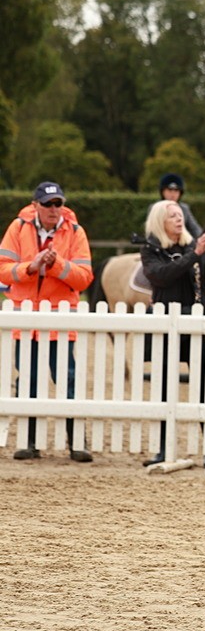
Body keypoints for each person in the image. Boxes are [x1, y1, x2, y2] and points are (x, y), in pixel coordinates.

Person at [0, 182, 95, 461]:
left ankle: (77, 442)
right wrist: (31, 266)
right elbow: (3, 272)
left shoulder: (76, 231)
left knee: (68, 380)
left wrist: (55, 265)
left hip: (60, 319)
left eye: (58, 204)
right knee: (27, 381)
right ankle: (31, 442)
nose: (54, 210)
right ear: (36, 206)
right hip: (27, 319)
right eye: (48, 204)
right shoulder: (17, 228)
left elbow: (84, 277)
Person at [140, 200, 205, 468]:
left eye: (180, 215)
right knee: (165, 388)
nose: (179, 219)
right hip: (168, 324)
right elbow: (162, 277)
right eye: (172, 216)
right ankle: (163, 449)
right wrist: (196, 253)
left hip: (197, 322)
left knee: (204, 389)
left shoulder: (192, 245)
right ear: (159, 221)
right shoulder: (151, 248)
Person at [156, 173, 202, 239]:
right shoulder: (156, 208)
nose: (173, 194)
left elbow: (195, 229)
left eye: (176, 191)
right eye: (169, 190)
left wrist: (203, 239)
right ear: (162, 192)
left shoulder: (184, 209)